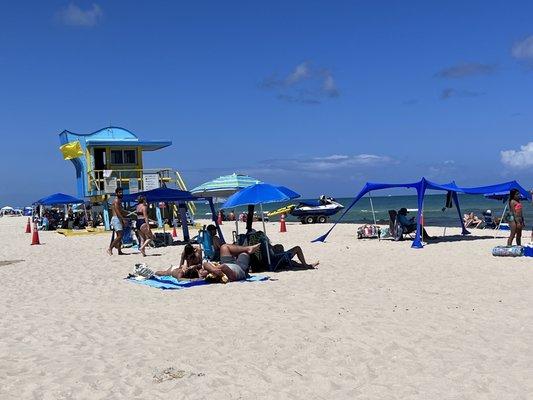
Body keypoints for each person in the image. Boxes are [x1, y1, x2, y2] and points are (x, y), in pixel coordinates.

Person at [107, 187, 128, 255]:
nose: (121, 193)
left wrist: (125, 212)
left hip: (118, 218)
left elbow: (120, 211)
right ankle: (110, 248)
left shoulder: (119, 200)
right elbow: (117, 211)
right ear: (116, 193)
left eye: (121, 192)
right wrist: (123, 219)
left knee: (119, 236)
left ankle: (119, 251)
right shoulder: (116, 200)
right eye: (119, 192)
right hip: (116, 219)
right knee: (120, 236)